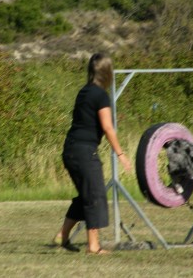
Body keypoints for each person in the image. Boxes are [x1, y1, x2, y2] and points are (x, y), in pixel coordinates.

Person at [54, 53, 132, 254]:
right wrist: (121, 154)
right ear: (108, 73)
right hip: (84, 151)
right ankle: (94, 246)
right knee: (95, 195)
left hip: (70, 149)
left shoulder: (84, 91)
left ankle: (62, 235)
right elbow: (107, 127)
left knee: (85, 195)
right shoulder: (100, 95)